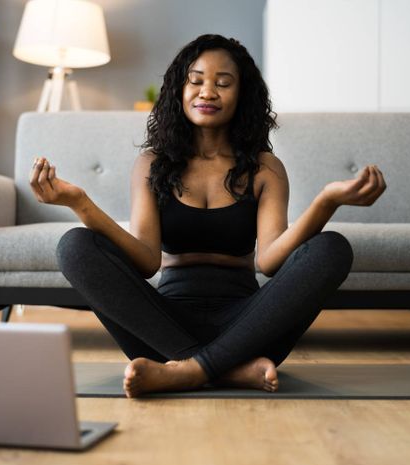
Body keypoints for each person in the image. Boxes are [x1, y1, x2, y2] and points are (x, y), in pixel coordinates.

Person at [29, 34, 386, 398]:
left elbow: (271, 260)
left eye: (223, 83)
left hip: (250, 328)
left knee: (332, 249)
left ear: (242, 94)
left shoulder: (265, 168)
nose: (207, 92)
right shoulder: (152, 164)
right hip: (162, 329)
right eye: (196, 80)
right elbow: (147, 261)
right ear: (178, 91)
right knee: (75, 245)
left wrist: (326, 202)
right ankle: (224, 370)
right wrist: (81, 203)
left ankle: (190, 371)